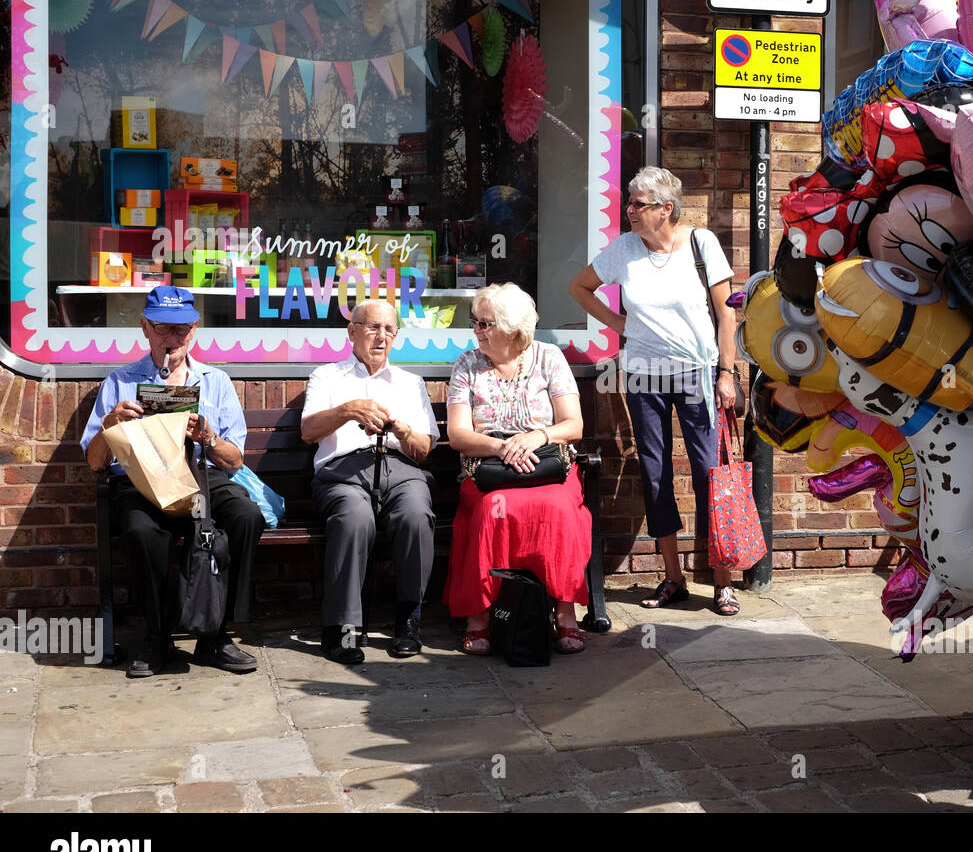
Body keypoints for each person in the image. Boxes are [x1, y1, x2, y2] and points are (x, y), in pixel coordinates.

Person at [569, 166, 742, 615]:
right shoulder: (624, 250)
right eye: (629, 203)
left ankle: (722, 580)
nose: (629, 211)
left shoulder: (702, 244)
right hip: (643, 374)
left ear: (666, 210)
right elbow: (580, 288)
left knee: (711, 472)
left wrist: (727, 373)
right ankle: (674, 578)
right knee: (655, 471)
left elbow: (727, 316)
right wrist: (619, 324)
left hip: (697, 373)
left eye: (638, 204)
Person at [82, 287, 264, 678]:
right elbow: (95, 462)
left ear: (194, 331)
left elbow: (236, 459)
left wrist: (210, 438)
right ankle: (157, 637)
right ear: (145, 328)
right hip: (141, 481)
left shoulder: (216, 381)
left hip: (201, 477)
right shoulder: (120, 382)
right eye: (162, 327)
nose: (172, 338)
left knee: (245, 516)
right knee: (140, 531)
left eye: (181, 329)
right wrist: (111, 425)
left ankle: (217, 634)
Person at [444, 283, 591, 654]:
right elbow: (458, 434)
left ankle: (565, 615)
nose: (476, 330)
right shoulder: (467, 365)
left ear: (512, 328)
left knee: (557, 509)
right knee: (493, 510)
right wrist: (503, 446)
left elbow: (574, 426)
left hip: (546, 465)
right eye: (475, 322)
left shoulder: (548, 358)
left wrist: (536, 437)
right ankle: (478, 618)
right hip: (488, 468)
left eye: (485, 324)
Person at [301, 299, 439, 665]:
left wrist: (404, 429)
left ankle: (409, 621)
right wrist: (348, 410)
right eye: (371, 327)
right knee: (353, 518)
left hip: (400, 467)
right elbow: (308, 432)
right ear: (352, 331)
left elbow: (423, 450)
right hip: (343, 472)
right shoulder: (326, 376)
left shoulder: (411, 383)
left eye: (389, 329)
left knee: (415, 514)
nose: (381, 337)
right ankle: (341, 628)